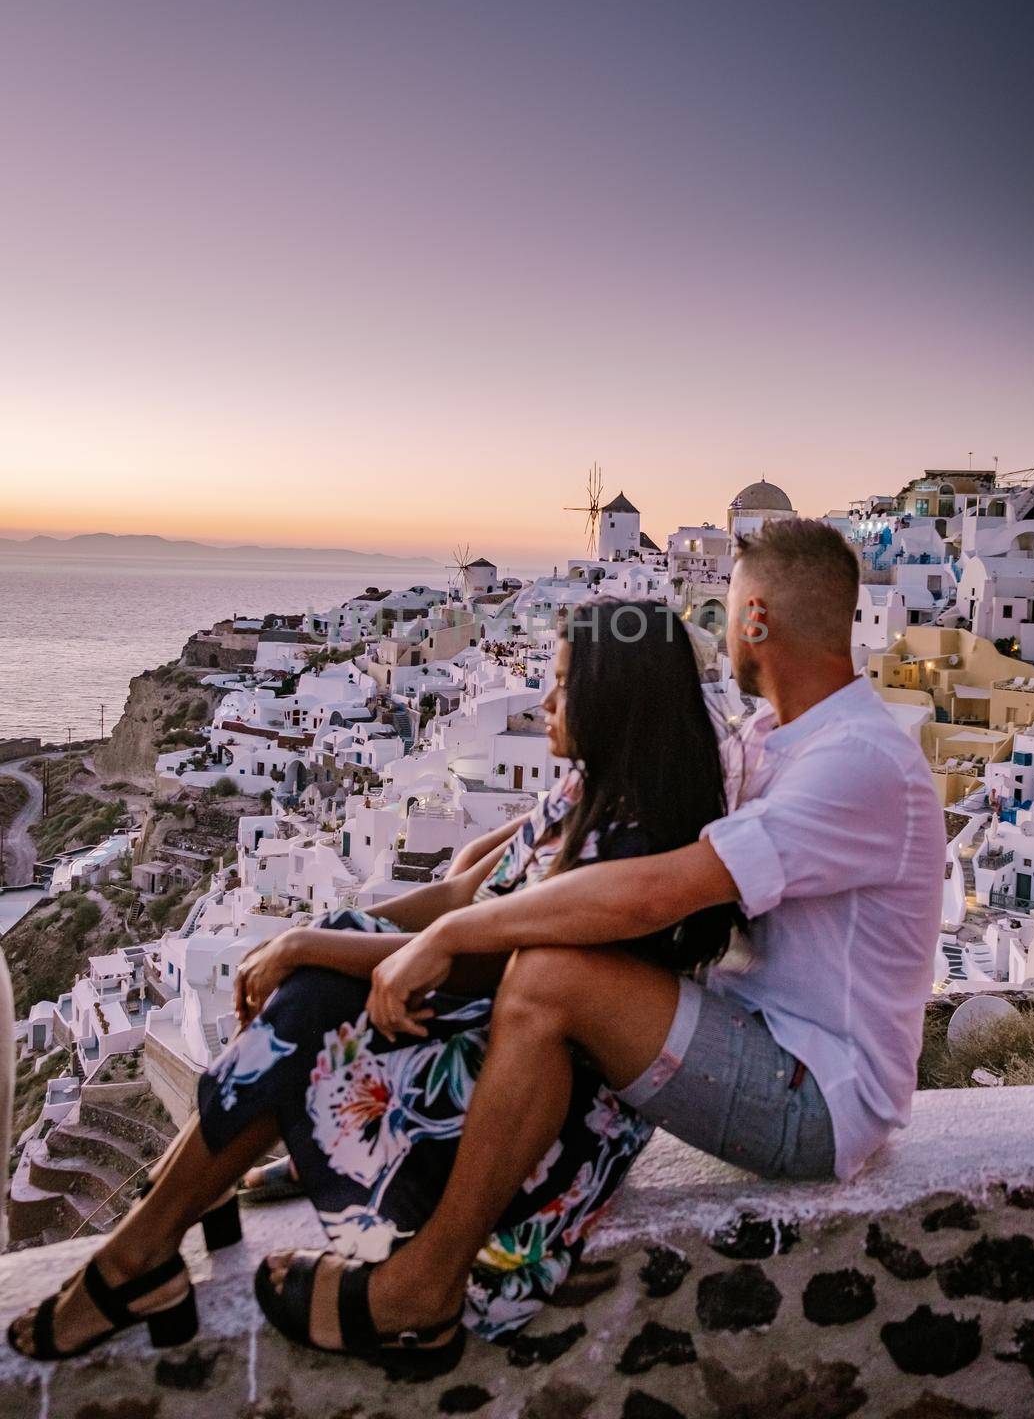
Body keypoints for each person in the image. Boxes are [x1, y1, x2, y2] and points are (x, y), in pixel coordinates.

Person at [258, 517, 942, 1365]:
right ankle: (379, 1149)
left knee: (553, 976)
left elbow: (658, 889)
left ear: (755, 618)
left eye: (727, 609)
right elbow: (642, 796)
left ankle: (422, 1286)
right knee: (552, 953)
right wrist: (506, 849)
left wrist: (456, 927)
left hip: (817, 1096)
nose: (722, 630)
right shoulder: (777, 743)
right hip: (754, 1043)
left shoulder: (857, 762)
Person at [8, 600, 741, 1371]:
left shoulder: (639, 843)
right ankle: (153, 1239)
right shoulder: (582, 793)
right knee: (318, 979)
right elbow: (461, 902)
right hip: (479, 1050)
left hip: (531, 1126)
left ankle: (137, 1257)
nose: (544, 705)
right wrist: (328, 934)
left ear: (615, 698)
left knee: (315, 999)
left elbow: (485, 960)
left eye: (561, 687)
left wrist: (307, 943)